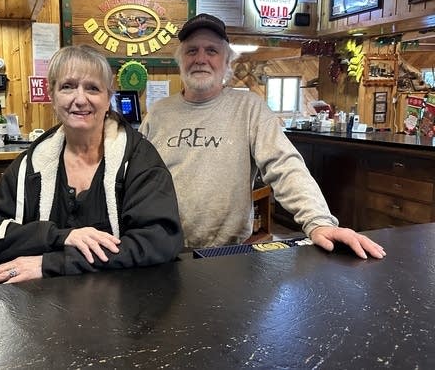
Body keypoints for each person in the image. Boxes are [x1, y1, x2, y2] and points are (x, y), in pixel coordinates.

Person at [139, 13, 385, 260]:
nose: (201, 59)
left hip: (227, 255)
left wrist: (318, 221)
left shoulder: (249, 108)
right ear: (180, 60)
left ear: (227, 63)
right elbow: (132, 177)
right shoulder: (159, 112)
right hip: (159, 251)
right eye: (192, 51)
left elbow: (285, 165)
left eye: (211, 51)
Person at [0, 45, 183, 282]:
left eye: (93, 88)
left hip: (123, 306)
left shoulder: (138, 158)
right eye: (68, 87)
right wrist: (59, 237)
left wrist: (52, 263)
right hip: (45, 309)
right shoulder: (33, 164)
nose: (80, 99)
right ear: (52, 96)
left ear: (108, 99)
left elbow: (159, 242)